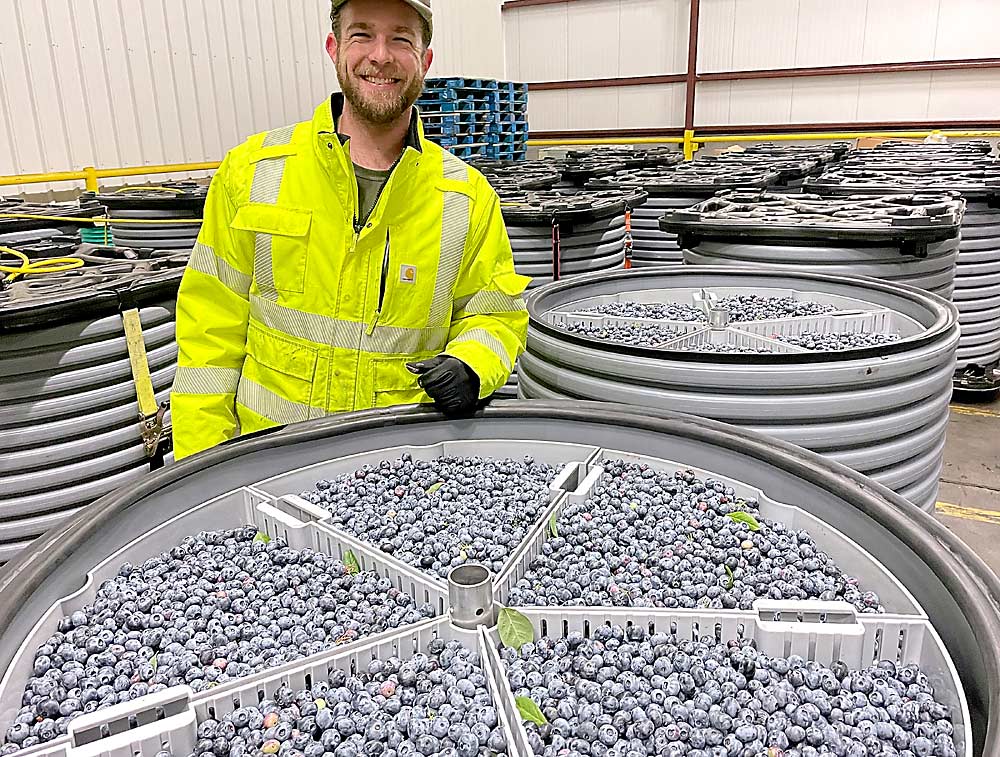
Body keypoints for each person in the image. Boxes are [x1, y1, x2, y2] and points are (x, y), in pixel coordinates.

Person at [170, 0, 529, 460]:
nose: (381, 55)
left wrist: (472, 365)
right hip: (266, 466)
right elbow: (208, 339)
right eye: (362, 35)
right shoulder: (253, 172)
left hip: (400, 477)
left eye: (401, 38)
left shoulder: (466, 197)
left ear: (426, 60)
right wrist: (202, 470)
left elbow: (495, 314)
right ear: (334, 48)